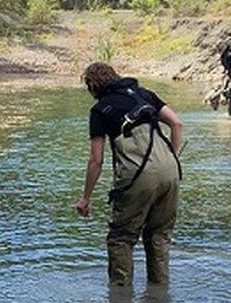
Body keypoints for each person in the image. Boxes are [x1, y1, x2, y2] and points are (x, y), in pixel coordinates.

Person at [75, 63, 184, 286]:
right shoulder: (144, 94)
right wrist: (172, 157)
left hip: (137, 175)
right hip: (170, 171)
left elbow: (96, 160)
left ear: (93, 87)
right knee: (159, 237)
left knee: (121, 239)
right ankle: (159, 301)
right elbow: (177, 123)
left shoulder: (100, 110)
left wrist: (86, 197)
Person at [207, 40, 231, 116]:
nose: (218, 50)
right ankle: (228, 109)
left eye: (219, 48)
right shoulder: (223, 56)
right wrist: (222, 82)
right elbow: (226, 70)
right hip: (230, 76)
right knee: (223, 93)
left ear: (223, 46)